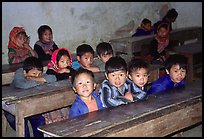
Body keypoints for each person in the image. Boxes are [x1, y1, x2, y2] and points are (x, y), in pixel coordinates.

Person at [5, 56, 57, 137]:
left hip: (30, 104)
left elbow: (53, 78)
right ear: (25, 72)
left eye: (39, 74)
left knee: (40, 121)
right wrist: (41, 81)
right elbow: (23, 85)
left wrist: (35, 79)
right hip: (13, 105)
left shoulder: (36, 75)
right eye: (34, 74)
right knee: (21, 127)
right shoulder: (19, 73)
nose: (37, 76)